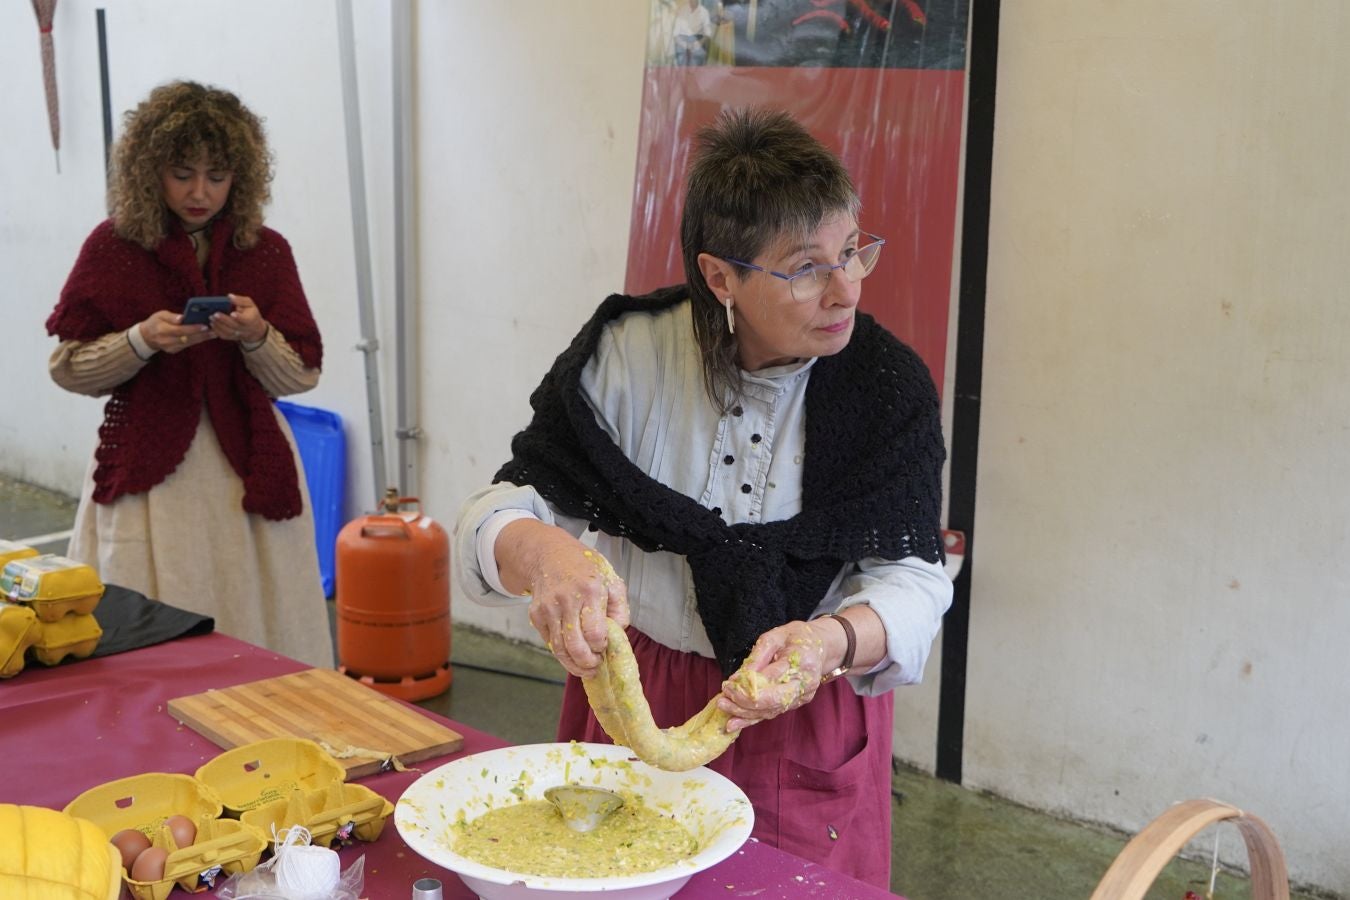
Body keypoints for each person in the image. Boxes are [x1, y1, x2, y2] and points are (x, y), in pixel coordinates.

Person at [455, 108, 951, 887]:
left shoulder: (886, 389)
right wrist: (544, 556)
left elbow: (916, 581)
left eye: (854, 251)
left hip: (801, 706)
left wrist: (828, 643)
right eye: (807, 267)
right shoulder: (627, 355)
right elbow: (504, 509)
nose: (845, 287)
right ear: (721, 276)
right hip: (637, 697)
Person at [45, 80, 333, 668]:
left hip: (251, 479)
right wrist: (141, 340)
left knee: (263, 631)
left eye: (218, 175)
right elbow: (69, 367)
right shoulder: (114, 247)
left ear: (241, 178)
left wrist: (255, 336)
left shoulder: (266, 251)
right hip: (150, 486)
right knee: (155, 635)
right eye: (182, 173)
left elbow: (302, 374)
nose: (200, 191)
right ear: (149, 169)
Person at [671, 0, 713, 65]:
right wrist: (684, 45)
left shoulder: (704, 12)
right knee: (681, 58)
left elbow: (708, 34)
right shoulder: (682, 10)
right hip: (682, 40)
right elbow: (675, 33)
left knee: (695, 60)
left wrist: (698, 43)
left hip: (697, 39)